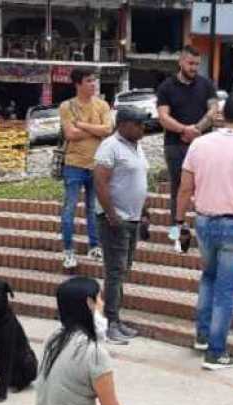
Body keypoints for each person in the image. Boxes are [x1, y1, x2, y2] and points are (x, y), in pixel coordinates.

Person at [175, 95, 233, 370]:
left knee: (208, 277)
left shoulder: (199, 144)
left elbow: (184, 188)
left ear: (222, 114)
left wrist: (179, 221)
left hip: (204, 221)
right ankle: (216, 352)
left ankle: (203, 336)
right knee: (225, 291)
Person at [35, 277, 155, 405]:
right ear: (89, 304)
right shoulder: (94, 352)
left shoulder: (53, 338)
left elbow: (73, 393)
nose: (103, 304)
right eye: (99, 298)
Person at [93, 108, 150, 346]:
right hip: (115, 219)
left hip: (133, 217)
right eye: (138, 124)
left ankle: (115, 319)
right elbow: (100, 182)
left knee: (123, 269)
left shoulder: (136, 147)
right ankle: (110, 322)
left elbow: (138, 182)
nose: (143, 128)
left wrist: (144, 212)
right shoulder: (110, 146)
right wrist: (111, 214)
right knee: (115, 272)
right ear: (124, 124)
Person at [156, 45, 218, 253]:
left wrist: (197, 130)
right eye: (190, 63)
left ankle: (203, 233)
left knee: (205, 188)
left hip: (203, 144)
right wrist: (184, 129)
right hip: (175, 145)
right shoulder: (166, 87)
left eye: (197, 64)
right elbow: (163, 117)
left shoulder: (206, 84)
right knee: (177, 190)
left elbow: (214, 110)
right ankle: (176, 234)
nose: (194, 68)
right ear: (181, 62)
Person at [59, 68, 113, 270]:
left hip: (97, 164)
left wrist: (82, 124)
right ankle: (68, 250)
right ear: (78, 84)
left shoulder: (102, 105)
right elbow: (70, 134)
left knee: (93, 208)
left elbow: (108, 129)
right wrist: (94, 130)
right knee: (70, 208)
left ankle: (94, 245)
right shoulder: (67, 106)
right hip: (74, 164)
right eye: (89, 81)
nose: (93, 84)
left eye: (94, 81)